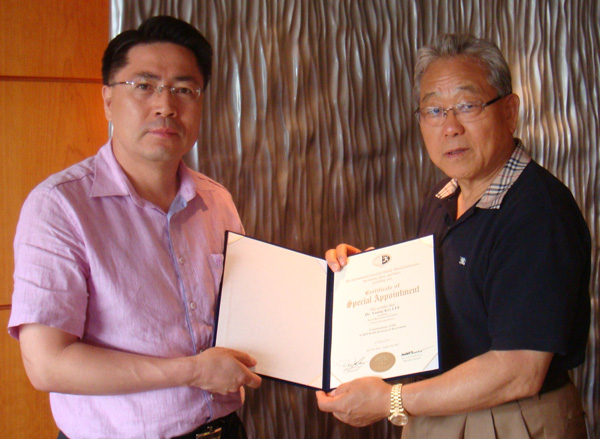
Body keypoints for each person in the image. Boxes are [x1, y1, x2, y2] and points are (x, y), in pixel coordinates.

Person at [317, 33, 591, 439]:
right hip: (434, 412)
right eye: (434, 110)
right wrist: (369, 278)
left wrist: (392, 401)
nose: (450, 127)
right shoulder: (444, 197)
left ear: (510, 111)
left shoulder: (537, 210)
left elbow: (518, 371)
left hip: (510, 420)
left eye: (467, 105)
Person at [8, 16, 261, 439]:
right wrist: (193, 371)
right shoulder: (59, 206)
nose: (166, 106)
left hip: (225, 430)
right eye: (144, 86)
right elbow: (47, 364)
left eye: (184, 89)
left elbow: (251, 313)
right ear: (108, 100)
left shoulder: (217, 201)